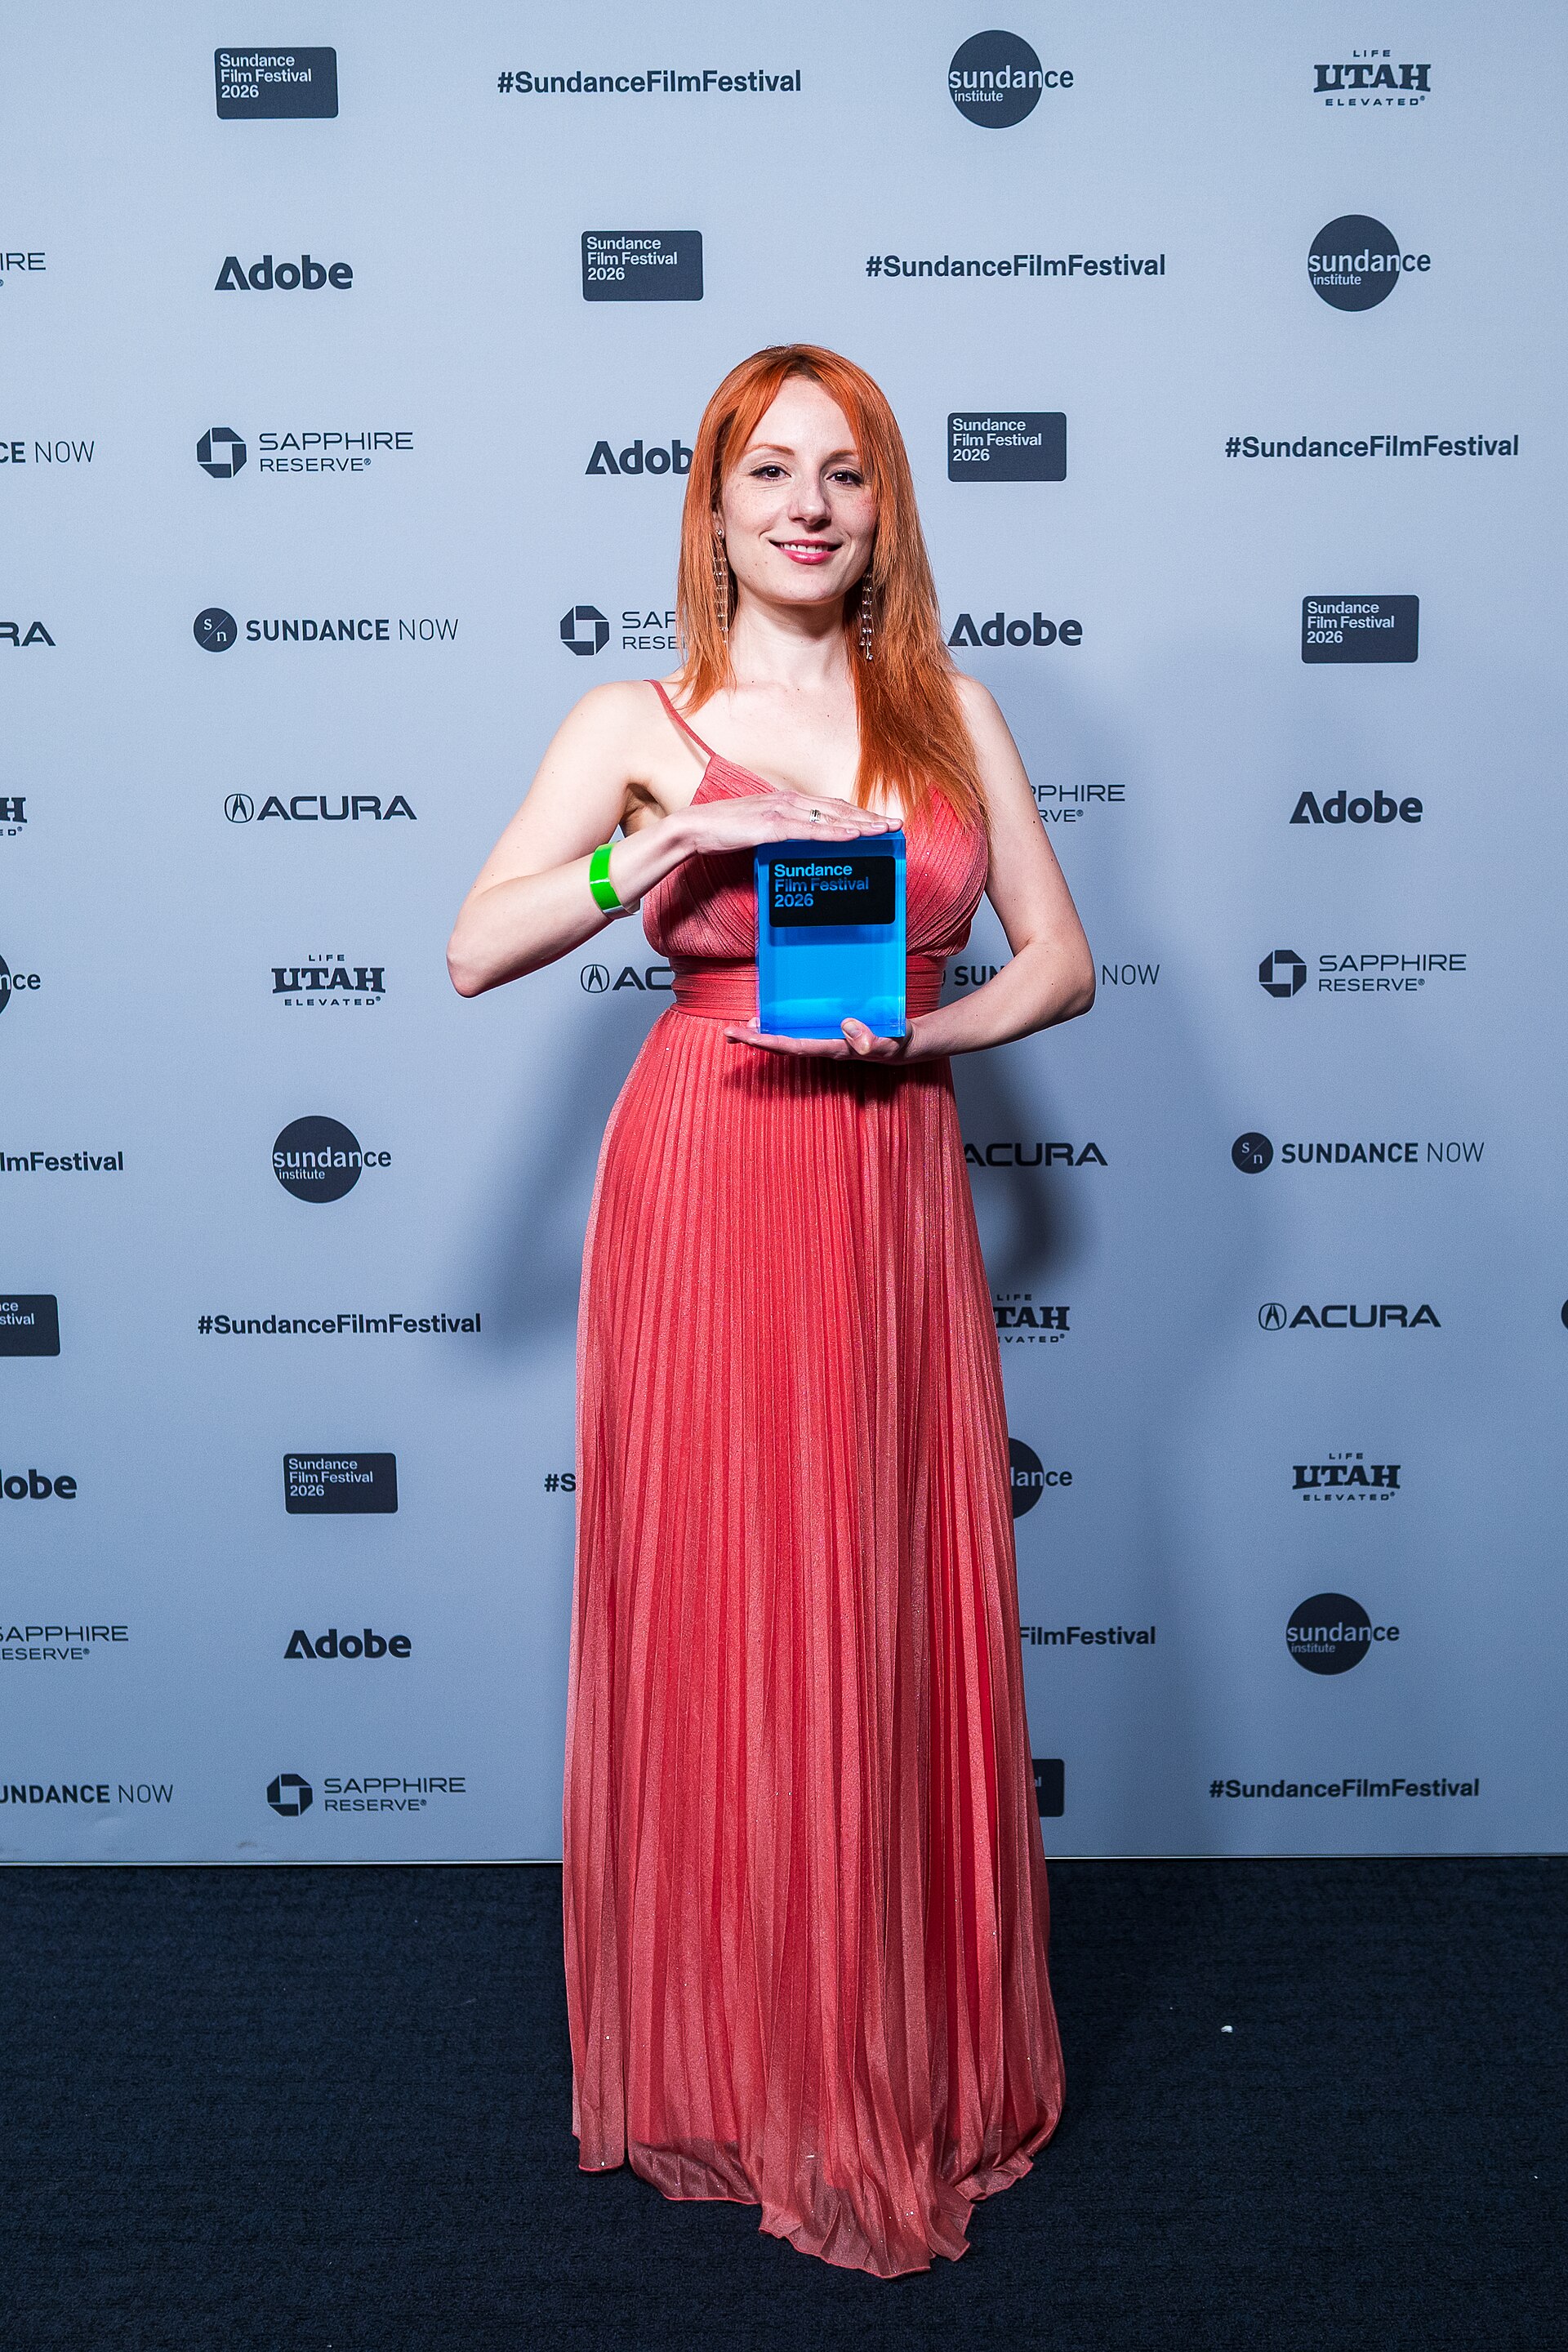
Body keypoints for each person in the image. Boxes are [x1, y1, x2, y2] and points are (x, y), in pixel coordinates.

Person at [448, 345, 1094, 2277]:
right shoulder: (636, 719)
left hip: (886, 1165)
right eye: (771, 473)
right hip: (713, 1169)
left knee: (878, 1602)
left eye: (849, 474)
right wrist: (660, 844)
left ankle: (890, 2050)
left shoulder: (954, 711)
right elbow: (477, 942)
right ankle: (746, 2054)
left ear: (887, 511)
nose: (810, 504)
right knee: (741, 1607)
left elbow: (1060, 962)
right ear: (714, 509)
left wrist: (933, 1026)